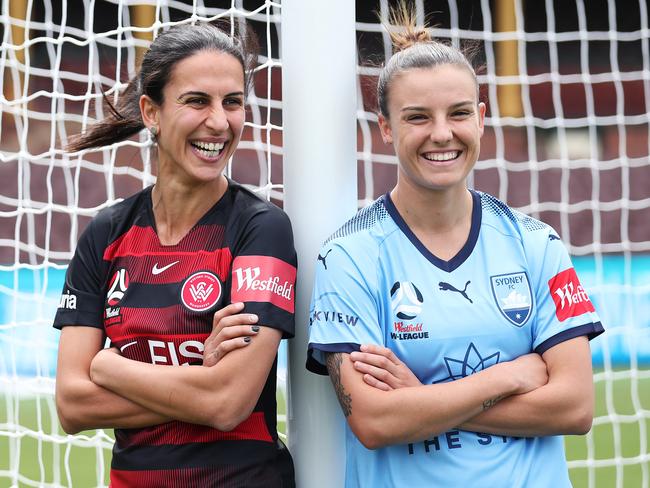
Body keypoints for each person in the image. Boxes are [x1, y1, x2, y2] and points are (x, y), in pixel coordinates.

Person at [306, 3, 604, 487]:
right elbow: (376, 421)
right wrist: (508, 377)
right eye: (418, 117)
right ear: (386, 127)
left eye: (459, 113)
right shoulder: (350, 257)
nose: (442, 134)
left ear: (481, 118)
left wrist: (421, 399)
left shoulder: (535, 244)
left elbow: (575, 407)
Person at [53, 21, 296, 487]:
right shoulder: (107, 233)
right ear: (151, 112)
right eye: (197, 101)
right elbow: (72, 404)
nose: (220, 122)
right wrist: (199, 375)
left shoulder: (261, 230)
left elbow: (229, 404)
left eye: (233, 102)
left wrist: (113, 367)